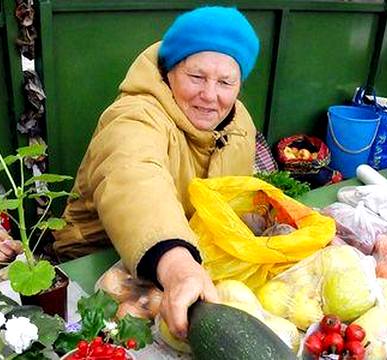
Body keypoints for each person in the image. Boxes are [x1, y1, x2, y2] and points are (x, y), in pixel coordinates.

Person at [53, 6, 260, 338]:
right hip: (98, 261)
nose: (210, 95)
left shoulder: (239, 125)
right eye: (196, 77)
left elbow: (234, 201)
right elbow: (135, 177)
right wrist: (178, 267)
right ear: (169, 72)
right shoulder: (133, 115)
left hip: (188, 262)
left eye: (225, 81)